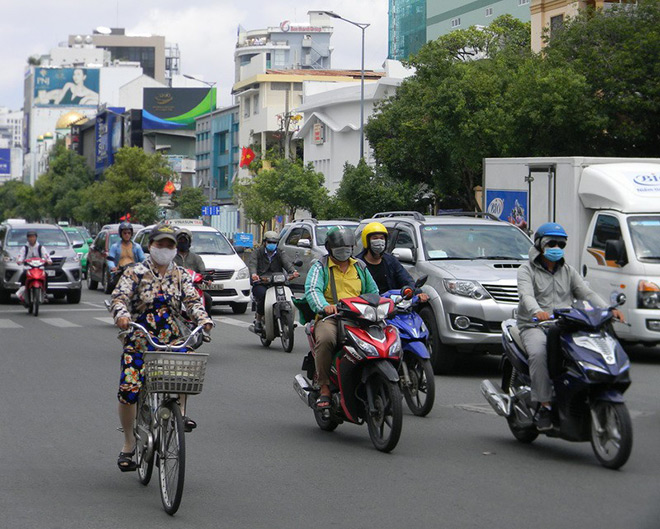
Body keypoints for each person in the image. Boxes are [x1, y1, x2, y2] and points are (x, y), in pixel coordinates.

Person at [110, 223, 214, 472]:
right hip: (140, 338)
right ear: (150, 246)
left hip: (172, 337)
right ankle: (128, 443)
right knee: (129, 389)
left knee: (186, 365)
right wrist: (122, 315)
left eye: (170, 245)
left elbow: (192, 300)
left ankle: (180, 411)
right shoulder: (134, 272)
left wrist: (203, 318)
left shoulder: (181, 274)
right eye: (160, 244)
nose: (165, 249)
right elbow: (119, 298)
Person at [517, 222, 624, 431]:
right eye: (551, 243)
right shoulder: (526, 269)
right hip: (535, 325)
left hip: (565, 325)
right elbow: (526, 295)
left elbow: (587, 293)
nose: (556, 247)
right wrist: (536, 311)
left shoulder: (568, 270)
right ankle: (545, 406)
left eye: (560, 244)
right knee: (539, 354)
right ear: (539, 244)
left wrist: (608, 309)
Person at [305, 226, 379, 409]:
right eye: (339, 247)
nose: (344, 251)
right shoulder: (320, 266)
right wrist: (324, 307)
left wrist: (379, 306)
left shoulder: (360, 267)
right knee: (326, 340)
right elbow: (313, 289)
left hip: (360, 316)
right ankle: (324, 388)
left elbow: (374, 292)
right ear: (329, 248)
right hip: (332, 317)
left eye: (347, 247)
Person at [356, 221, 429, 303]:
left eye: (382, 238)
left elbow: (406, 279)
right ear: (366, 241)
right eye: (375, 238)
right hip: (367, 308)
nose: (379, 241)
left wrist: (415, 291)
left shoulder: (391, 261)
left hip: (393, 305)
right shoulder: (357, 264)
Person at [248, 230, 299, 332]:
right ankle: (258, 320)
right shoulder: (257, 252)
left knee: (290, 295)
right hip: (261, 281)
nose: (272, 244)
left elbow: (287, 263)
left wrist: (293, 272)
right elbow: (252, 264)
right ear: (264, 242)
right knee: (262, 296)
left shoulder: (280, 252)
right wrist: (254, 274)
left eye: (274, 242)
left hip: (278, 281)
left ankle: (289, 319)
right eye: (270, 242)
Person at [174, 227, 212, 310]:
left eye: (185, 241)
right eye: (180, 241)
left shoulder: (196, 258)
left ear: (189, 242)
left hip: (193, 288)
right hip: (175, 288)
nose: (182, 243)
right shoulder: (171, 258)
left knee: (207, 298)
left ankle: (208, 321)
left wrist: (206, 277)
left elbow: (202, 272)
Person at [16, 230, 53, 303]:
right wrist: (20, 261)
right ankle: (23, 292)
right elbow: (20, 257)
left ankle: (44, 292)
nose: (31, 239)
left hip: (39, 268)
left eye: (33, 237)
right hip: (28, 268)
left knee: (45, 275)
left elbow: (47, 256)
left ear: (36, 238)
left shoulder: (41, 247)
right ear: (27, 238)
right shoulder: (25, 248)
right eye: (30, 237)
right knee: (23, 275)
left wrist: (48, 261)